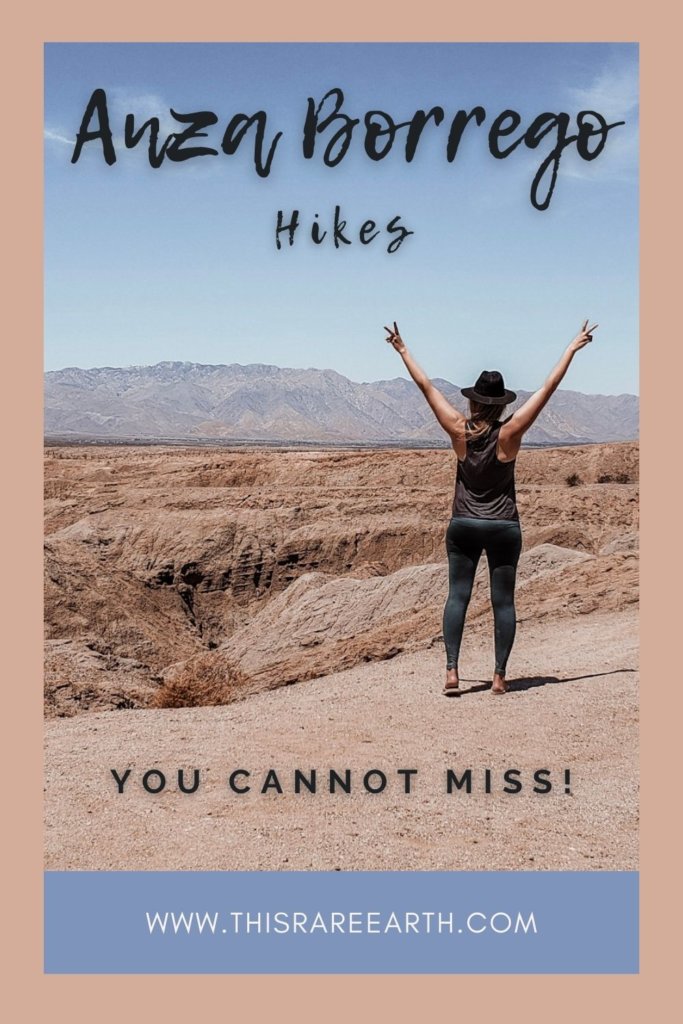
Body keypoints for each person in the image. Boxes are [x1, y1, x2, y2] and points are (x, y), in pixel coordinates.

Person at [384, 319, 598, 696]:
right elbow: (548, 388)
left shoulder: (458, 429)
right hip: (503, 527)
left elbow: (426, 387)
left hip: (464, 524)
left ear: (472, 401)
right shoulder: (511, 433)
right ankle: (499, 677)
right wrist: (571, 348)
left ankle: (452, 672)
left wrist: (403, 350)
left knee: (458, 596)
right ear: (500, 404)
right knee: (503, 601)